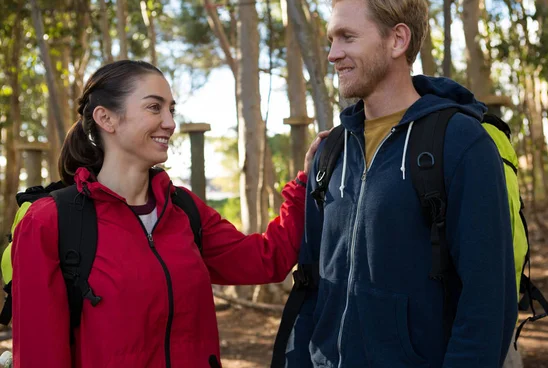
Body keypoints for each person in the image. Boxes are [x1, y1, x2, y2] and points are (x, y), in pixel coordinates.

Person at [11, 60, 326, 368]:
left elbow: (266, 259)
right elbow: (40, 356)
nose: (170, 122)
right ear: (106, 118)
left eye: (171, 109)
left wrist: (306, 183)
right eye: (154, 107)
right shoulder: (48, 222)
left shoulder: (183, 210)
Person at [284, 0, 517, 368]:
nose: (332, 54)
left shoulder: (460, 142)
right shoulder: (330, 151)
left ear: (397, 40)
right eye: (330, 40)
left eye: (347, 37)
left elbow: (487, 301)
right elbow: (312, 286)